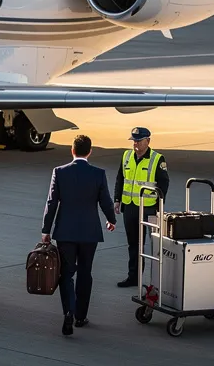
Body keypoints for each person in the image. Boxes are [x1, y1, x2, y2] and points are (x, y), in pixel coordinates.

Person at [41, 134, 117, 336]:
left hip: (65, 232)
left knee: (66, 274)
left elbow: (51, 203)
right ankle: (81, 317)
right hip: (89, 233)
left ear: (72, 150)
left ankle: (69, 311)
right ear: (89, 152)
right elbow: (106, 202)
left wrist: (45, 230)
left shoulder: (60, 172)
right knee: (85, 273)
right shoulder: (98, 174)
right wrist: (111, 220)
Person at [115, 127, 170, 288]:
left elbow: (164, 184)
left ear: (148, 141)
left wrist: (160, 206)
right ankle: (134, 277)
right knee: (134, 244)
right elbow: (120, 178)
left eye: (139, 141)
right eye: (134, 141)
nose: (136, 144)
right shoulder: (126, 156)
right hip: (130, 207)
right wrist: (117, 199)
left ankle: (157, 281)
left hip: (149, 208)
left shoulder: (157, 159)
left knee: (155, 244)